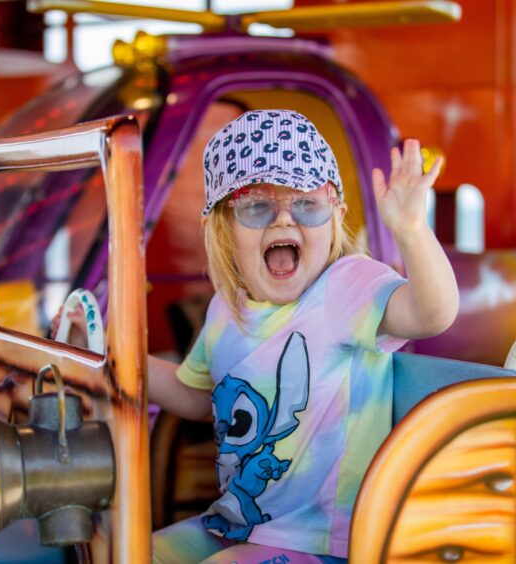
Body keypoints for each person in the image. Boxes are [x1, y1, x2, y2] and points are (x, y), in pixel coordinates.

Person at [64, 108, 458, 563]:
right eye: (256, 206)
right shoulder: (224, 310)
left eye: (307, 204)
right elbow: (196, 396)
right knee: (128, 555)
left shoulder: (344, 288)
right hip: (234, 527)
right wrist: (107, 356)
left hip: (328, 546)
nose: (284, 221)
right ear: (223, 227)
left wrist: (411, 229)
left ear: (335, 217)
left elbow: (433, 314)